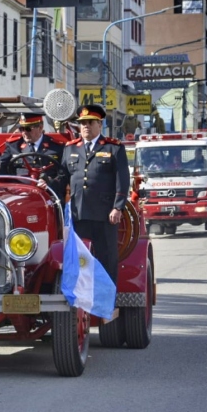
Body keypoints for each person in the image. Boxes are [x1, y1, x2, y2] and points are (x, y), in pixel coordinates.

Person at [42, 104, 129, 282]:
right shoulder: (71, 148)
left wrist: (117, 208)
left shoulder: (113, 148)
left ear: (99, 124)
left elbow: (123, 180)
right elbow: (63, 177)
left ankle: (105, 302)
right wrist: (47, 185)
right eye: (82, 123)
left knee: (106, 258)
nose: (85, 126)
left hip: (105, 214)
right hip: (78, 213)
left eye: (90, 122)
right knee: (80, 258)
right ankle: (82, 300)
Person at [0, 113, 65, 197]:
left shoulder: (56, 147)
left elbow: (63, 174)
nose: (24, 132)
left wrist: (49, 183)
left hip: (49, 195)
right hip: (20, 195)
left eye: (28, 129)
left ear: (40, 128)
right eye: (21, 128)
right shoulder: (14, 146)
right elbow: (1, 169)